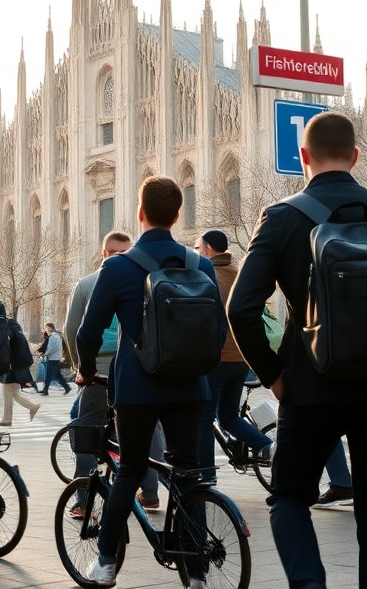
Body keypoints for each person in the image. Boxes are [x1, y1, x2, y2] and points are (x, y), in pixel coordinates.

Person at [228, 111, 367, 589]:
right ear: (355, 157)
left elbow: (242, 308)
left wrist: (274, 375)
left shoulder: (283, 218)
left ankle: (310, 584)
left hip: (311, 387)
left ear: (303, 158)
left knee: (288, 497)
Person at [76, 176, 227, 587]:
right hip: (190, 387)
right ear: (178, 215)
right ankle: (195, 571)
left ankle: (106, 563)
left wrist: (86, 369)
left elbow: (87, 333)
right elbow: (219, 329)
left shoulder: (119, 266)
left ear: (141, 214)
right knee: (187, 472)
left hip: (137, 388)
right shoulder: (201, 265)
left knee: (131, 469)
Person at [63, 230, 165, 517]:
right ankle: (151, 492)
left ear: (103, 253)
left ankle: (83, 500)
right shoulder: (142, 279)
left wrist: (80, 368)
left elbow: (72, 330)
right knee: (148, 428)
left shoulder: (86, 284)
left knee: (86, 428)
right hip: (135, 367)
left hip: (98, 369)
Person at [195, 228, 274, 476]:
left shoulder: (207, 276)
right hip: (240, 357)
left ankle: (206, 475)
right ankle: (265, 443)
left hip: (217, 358)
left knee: (204, 421)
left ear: (208, 249)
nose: (198, 253)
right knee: (228, 416)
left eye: (199, 248)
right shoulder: (237, 273)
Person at [0, 317, 40, 426]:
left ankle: (7, 419)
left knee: (7, 391)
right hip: (19, 367)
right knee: (14, 393)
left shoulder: (10, 333)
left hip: (12, 367)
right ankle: (32, 407)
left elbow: (8, 349)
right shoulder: (17, 331)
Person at [39, 321, 71, 396]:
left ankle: (45, 390)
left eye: (47, 328)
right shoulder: (56, 336)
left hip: (53, 358)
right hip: (55, 358)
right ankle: (66, 387)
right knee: (57, 374)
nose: (46, 329)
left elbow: (52, 348)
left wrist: (45, 354)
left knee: (49, 374)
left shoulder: (54, 336)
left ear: (51, 328)